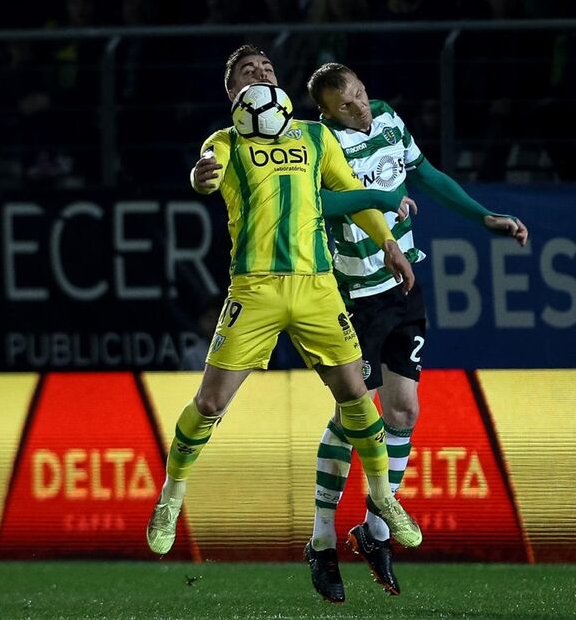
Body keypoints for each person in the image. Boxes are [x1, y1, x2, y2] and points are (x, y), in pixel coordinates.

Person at [146, 45, 424, 560]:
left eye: (267, 68)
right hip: (256, 289)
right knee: (209, 403)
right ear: (234, 91)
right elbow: (207, 172)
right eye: (248, 71)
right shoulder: (226, 140)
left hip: (317, 286)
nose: (260, 73)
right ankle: (170, 496)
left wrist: (387, 242)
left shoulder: (316, 137)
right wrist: (201, 177)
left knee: (356, 396)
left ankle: (383, 497)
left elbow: (351, 192)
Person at [303, 62, 529, 602]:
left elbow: (425, 174)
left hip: (401, 285)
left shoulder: (386, 118)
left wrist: (483, 216)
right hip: (351, 296)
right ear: (326, 112)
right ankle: (321, 538)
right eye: (346, 104)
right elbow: (316, 204)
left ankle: (375, 531)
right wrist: (377, 201)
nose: (360, 107)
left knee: (402, 411)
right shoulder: (320, 144)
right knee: (353, 416)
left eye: (361, 93)